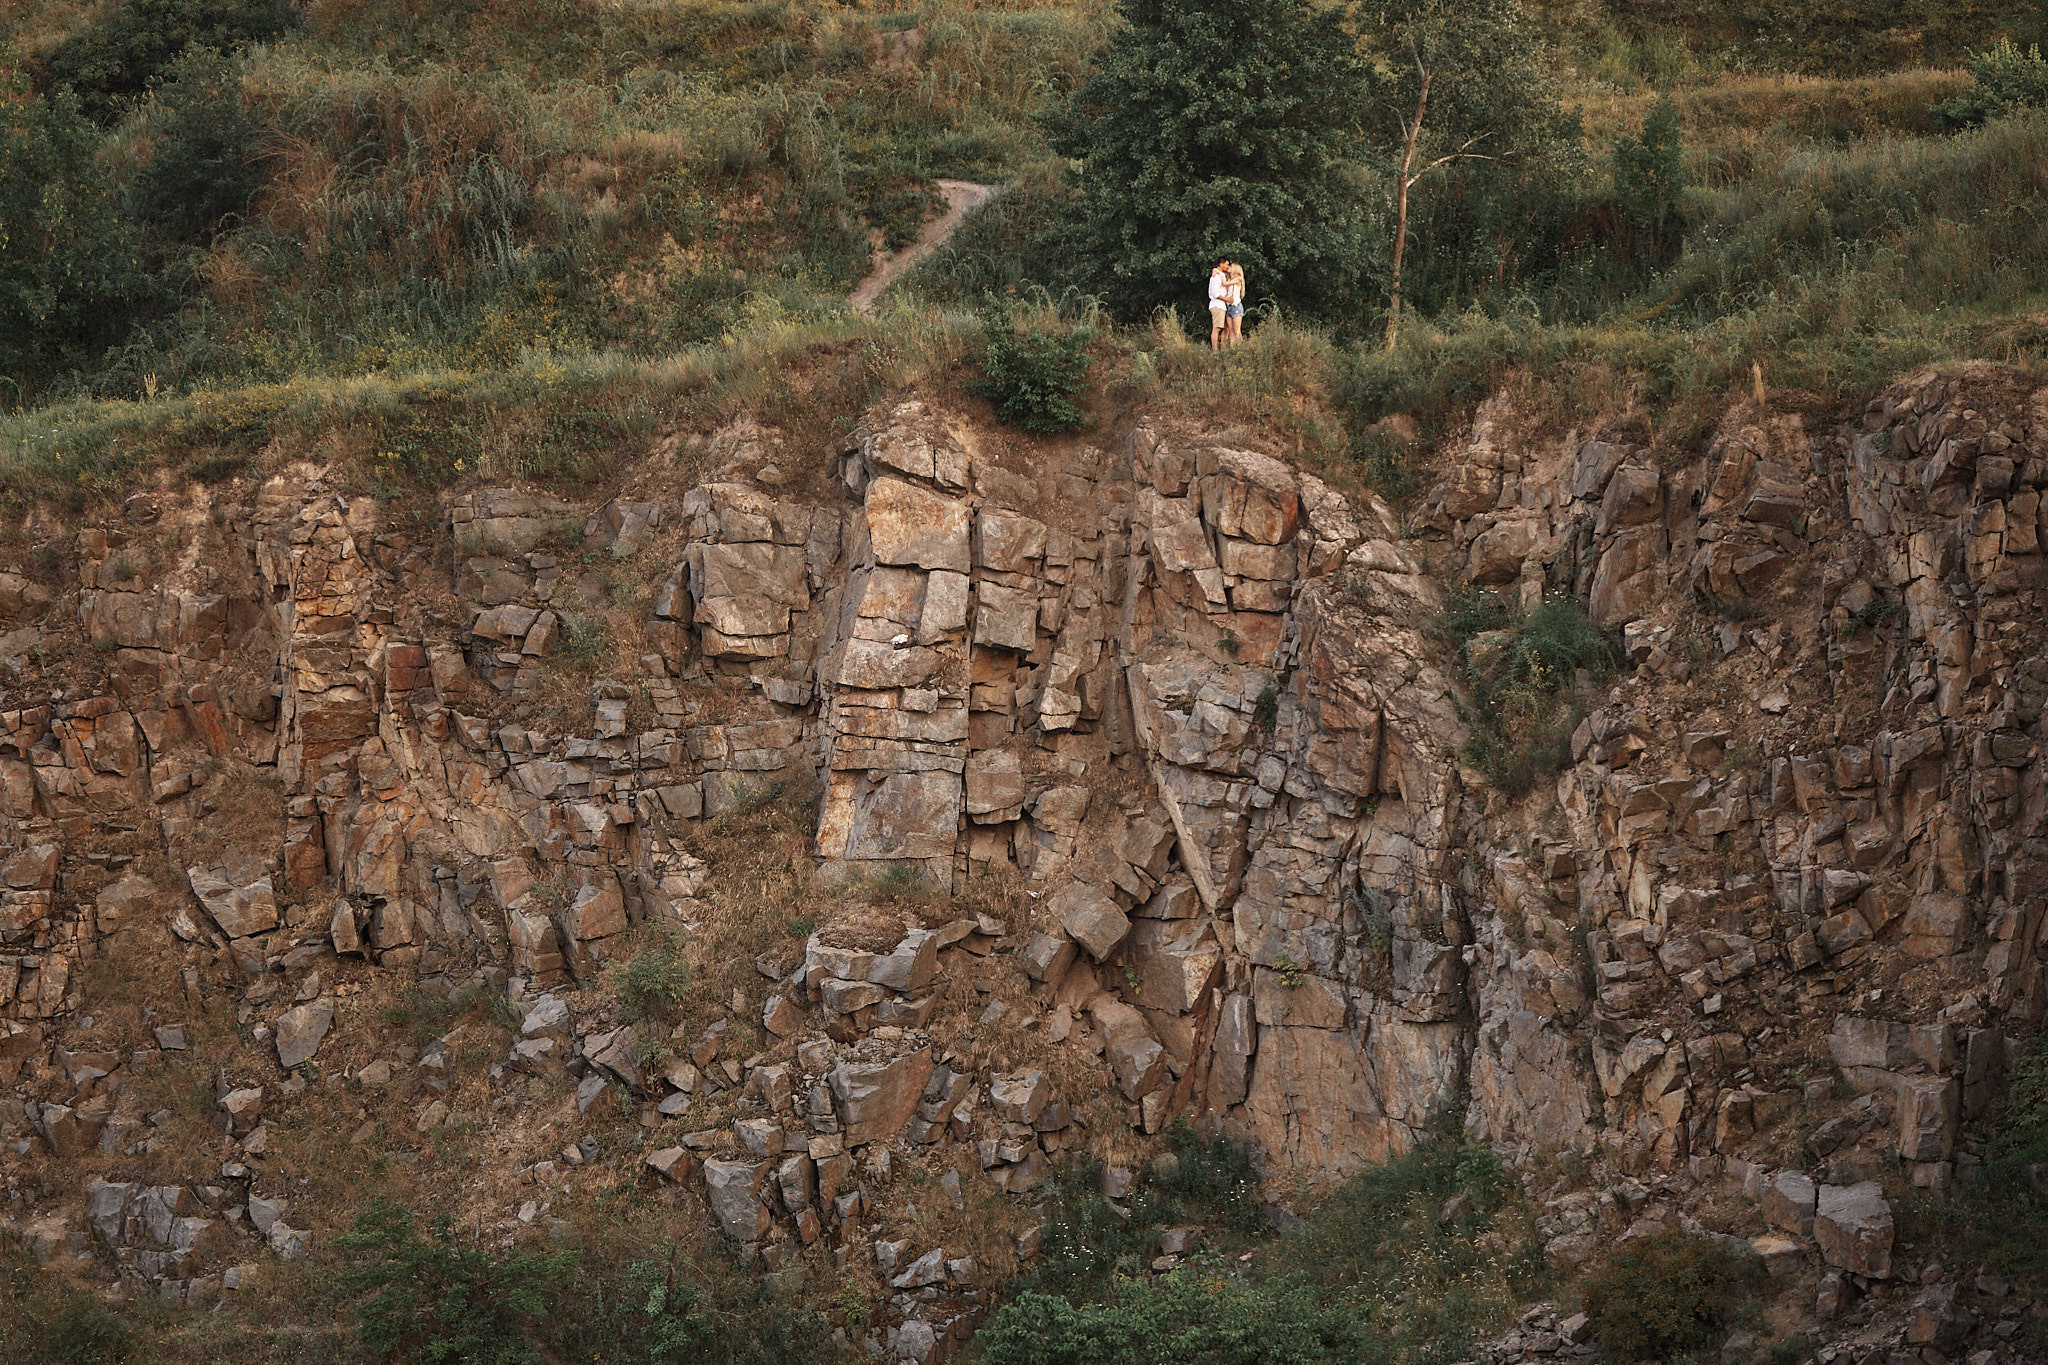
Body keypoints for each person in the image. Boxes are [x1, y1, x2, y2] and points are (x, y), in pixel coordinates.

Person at [1207, 259, 1230, 350]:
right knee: (1217, 328)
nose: (1228, 266)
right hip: (1217, 305)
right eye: (1226, 264)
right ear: (1221, 264)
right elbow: (1215, 293)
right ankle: (1215, 351)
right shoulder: (1216, 277)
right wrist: (1227, 299)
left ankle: (1223, 349)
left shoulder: (1221, 275)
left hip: (1222, 306)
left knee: (1226, 328)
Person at [1225, 261, 1246, 346]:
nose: (1229, 267)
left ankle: (1241, 348)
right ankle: (1232, 349)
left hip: (1236, 306)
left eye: (1231, 266)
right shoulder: (1229, 278)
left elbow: (1225, 283)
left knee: (1237, 331)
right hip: (1229, 306)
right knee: (1231, 331)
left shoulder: (1238, 279)